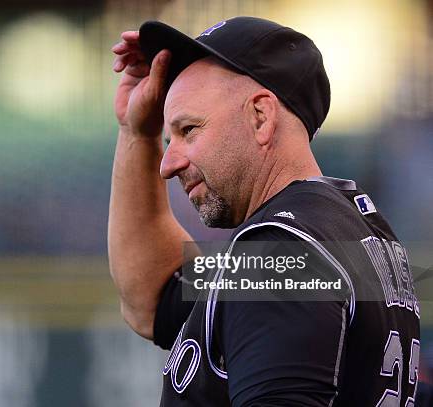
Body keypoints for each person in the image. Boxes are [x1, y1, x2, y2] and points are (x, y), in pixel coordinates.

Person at [108, 16, 421, 406]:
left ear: (260, 117)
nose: (168, 164)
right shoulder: (348, 231)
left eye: (189, 130)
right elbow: (153, 299)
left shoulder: (281, 255)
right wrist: (137, 134)